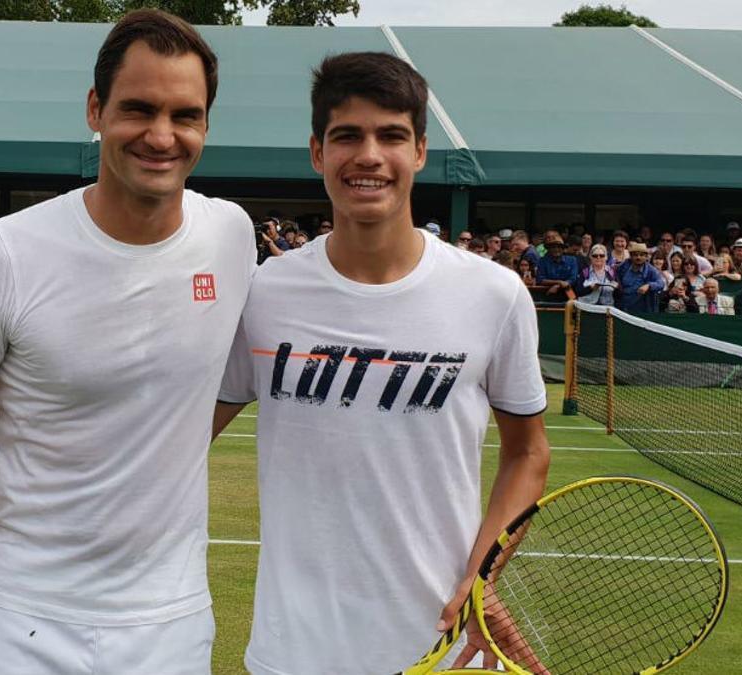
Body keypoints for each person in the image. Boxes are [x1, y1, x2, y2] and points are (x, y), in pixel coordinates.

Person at [0, 10, 254, 675]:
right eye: (138, 109)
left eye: (185, 114)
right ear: (96, 109)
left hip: (173, 622)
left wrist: (164, 444)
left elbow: (246, 371)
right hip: (22, 620)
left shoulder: (232, 235)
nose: (161, 135)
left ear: (206, 126)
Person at [213, 51, 550, 675]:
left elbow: (528, 454)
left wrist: (482, 578)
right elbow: (178, 432)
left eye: (391, 135)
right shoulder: (263, 292)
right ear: (317, 152)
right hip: (294, 653)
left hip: (444, 651)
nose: (369, 155)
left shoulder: (493, 294)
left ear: (420, 151)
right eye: (347, 136)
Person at [617, 242, 666, 313]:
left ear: (646, 257)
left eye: (641, 255)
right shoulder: (624, 266)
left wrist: (649, 285)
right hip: (624, 308)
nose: (638, 257)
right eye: (635, 255)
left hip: (643, 310)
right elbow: (617, 275)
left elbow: (661, 283)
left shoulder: (651, 270)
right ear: (631, 256)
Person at [536, 232, 579, 297]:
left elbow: (573, 279)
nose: (556, 249)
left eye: (559, 247)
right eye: (553, 247)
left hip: (568, 294)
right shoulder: (543, 261)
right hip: (547, 294)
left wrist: (558, 286)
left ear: (563, 249)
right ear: (549, 249)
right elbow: (540, 279)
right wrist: (559, 282)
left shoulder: (572, 260)